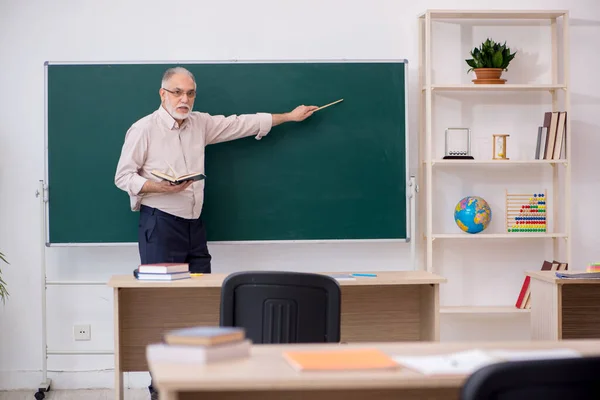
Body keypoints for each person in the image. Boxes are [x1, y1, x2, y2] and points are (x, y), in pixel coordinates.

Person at [114, 66, 317, 399]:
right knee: (163, 307)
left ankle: (196, 384)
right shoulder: (143, 129)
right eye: (178, 92)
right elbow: (123, 177)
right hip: (160, 225)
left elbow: (242, 123)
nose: (185, 99)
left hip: (195, 226)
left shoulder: (200, 123)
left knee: (202, 302)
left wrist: (290, 117)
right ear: (162, 94)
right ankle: (160, 386)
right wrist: (158, 187)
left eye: (190, 93)